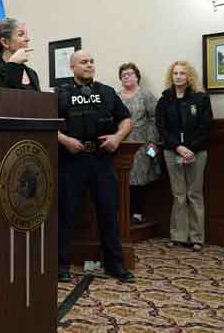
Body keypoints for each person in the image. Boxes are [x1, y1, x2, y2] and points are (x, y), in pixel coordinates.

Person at [56, 50, 135, 284]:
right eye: (84, 62)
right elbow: (48, 125)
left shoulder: (107, 92)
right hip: (72, 159)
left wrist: (118, 138)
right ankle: (61, 266)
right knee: (67, 213)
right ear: (72, 68)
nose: (89, 65)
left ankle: (115, 265)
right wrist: (65, 140)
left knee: (109, 212)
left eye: (92, 61)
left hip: (102, 159)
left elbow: (126, 119)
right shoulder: (60, 94)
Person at [155, 61, 212, 251]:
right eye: (175, 73)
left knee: (194, 194)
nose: (178, 76)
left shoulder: (201, 98)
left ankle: (197, 237)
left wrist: (191, 149)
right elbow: (162, 128)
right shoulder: (165, 99)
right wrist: (178, 147)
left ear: (189, 77)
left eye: (182, 73)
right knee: (179, 194)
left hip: (197, 152)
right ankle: (178, 236)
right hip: (172, 152)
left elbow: (205, 128)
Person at [116, 62, 161, 219]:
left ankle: (137, 212)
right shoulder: (116, 96)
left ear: (137, 77)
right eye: (123, 75)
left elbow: (155, 118)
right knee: (122, 178)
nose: (127, 77)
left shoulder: (145, 95)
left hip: (143, 143)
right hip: (120, 142)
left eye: (130, 74)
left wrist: (152, 141)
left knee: (140, 177)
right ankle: (123, 214)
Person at [0, 17, 40, 90]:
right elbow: (5, 98)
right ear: (5, 42)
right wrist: (13, 64)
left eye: (26, 35)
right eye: (21, 34)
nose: (27, 39)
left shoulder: (32, 73)